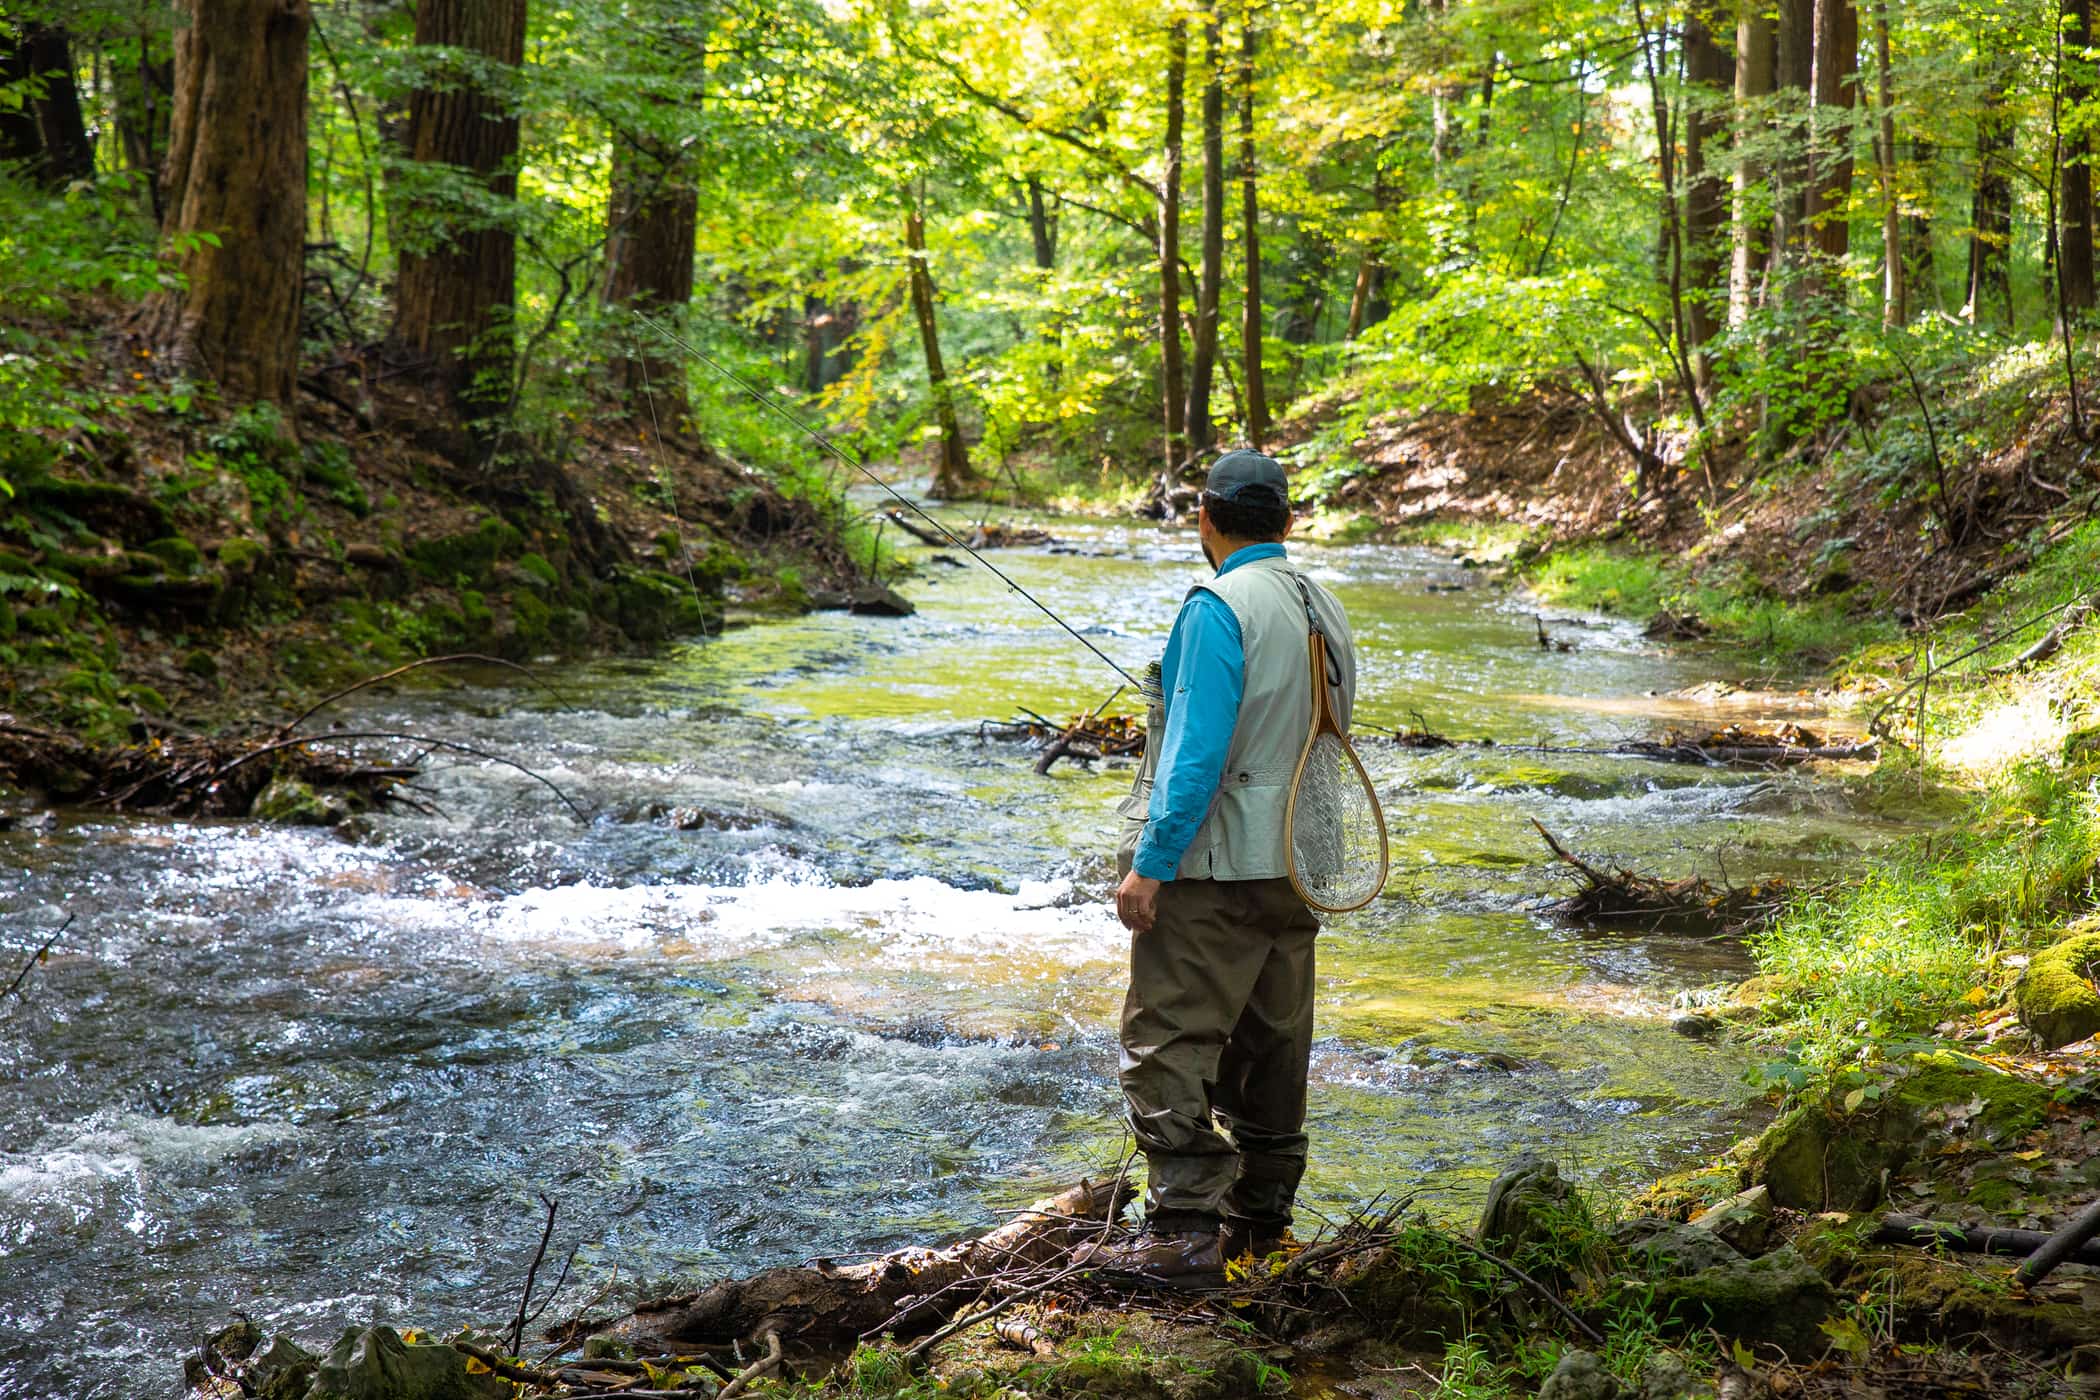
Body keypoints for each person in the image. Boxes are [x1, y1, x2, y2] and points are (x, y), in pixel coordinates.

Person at [1097, 449, 1357, 1290]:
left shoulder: (1215, 607)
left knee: (1166, 1039)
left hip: (1216, 865)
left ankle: (1180, 1242)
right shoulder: (1326, 605)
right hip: (1301, 859)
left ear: (1205, 516)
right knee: (1272, 1043)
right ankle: (1262, 1227)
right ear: (1287, 520)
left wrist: (1151, 864)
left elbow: (1198, 755)